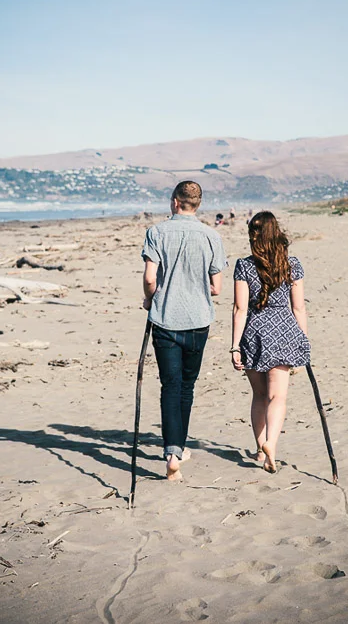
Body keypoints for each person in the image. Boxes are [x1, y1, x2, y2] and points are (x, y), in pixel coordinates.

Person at [141, 181, 227, 480]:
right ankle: (179, 448)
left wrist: (149, 299)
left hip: (164, 318)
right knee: (187, 387)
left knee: (170, 386)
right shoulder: (211, 236)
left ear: (175, 202)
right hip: (198, 320)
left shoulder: (157, 232)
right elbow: (216, 288)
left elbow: (151, 278)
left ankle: (172, 452)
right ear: (197, 204)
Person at [230, 211, 310, 473]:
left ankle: (259, 446)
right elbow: (298, 308)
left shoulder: (244, 265)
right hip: (283, 331)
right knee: (278, 396)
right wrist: (303, 340)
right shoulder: (292, 264)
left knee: (260, 395)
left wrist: (234, 346)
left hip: (253, 332)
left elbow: (240, 309)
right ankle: (271, 445)